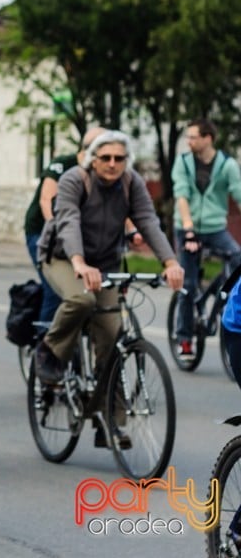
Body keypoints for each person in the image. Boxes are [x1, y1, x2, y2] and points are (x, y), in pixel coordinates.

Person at [34, 130, 183, 445]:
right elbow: (69, 222)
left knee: (112, 338)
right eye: (106, 158)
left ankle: (111, 422)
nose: (113, 164)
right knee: (81, 300)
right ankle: (49, 351)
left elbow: (148, 222)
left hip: (105, 263)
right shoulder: (76, 180)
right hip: (61, 256)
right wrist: (78, 262)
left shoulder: (131, 183)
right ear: (93, 159)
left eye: (119, 158)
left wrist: (170, 262)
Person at [23, 128, 110, 322]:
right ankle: (44, 345)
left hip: (77, 233)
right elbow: (46, 200)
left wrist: (133, 230)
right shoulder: (62, 164)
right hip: (42, 232)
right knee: (55, 291)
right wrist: (56, 228)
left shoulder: (102, 170)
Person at [171, 118, 241, 360]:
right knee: (188, 285)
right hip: (186, 228)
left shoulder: (227, 165)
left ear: (207, 138)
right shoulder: (182, 163)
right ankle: (184, 339)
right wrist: (189, 230)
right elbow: (181, 196)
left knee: (237, 261)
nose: (189, 141)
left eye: (193, 137)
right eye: (188, 137)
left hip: (215, 228)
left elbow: (239, 195)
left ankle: (227, 299)